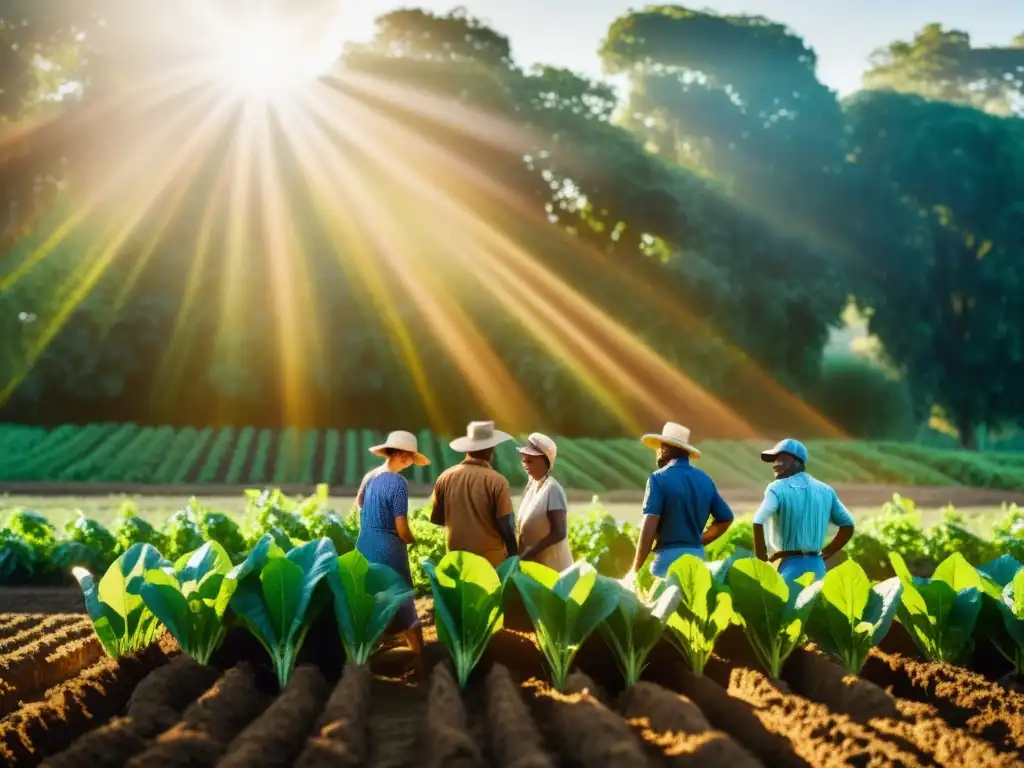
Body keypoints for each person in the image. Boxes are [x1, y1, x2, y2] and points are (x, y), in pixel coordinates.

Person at [624, 422, 734, 583]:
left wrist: (636, 570)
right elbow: (726, 518)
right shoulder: (705, 480)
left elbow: (649, 526)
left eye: (660, 447)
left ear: (666, 449)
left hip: (666, 563)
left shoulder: (658, 478)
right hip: (697, 560)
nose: (658, 451)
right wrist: (698, 540)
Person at [354, 429, 431, 658]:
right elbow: (401, 527)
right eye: (410, 458)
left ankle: (368, 651)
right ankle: (420, 655)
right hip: (389, 545)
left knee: (372, 597)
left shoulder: (371, 476)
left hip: (365, 543)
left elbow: (359, 504)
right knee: (402, 595)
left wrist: (374, 519)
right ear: (404, 456)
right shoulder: (398, 483)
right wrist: (412, 541)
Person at [752, 438, 855, 585]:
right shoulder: (825, 490)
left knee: (786, 607)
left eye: (782, 459)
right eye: (774, 460)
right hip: (818, 568)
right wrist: (827, 553)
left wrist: (761, 563)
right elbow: (848, 526)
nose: (775, 464)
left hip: (788, 569)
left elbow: (758, 521)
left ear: (797, 462)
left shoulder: (776, 488)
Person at [429, 420, 518, 566]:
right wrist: (514, 555)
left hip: (456, 564)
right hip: (490, 565)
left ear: (467, 449)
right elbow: (506, 525)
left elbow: (438, 519)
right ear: (491, 450)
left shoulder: (444, 478)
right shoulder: (497, 481)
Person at [515, 432, 573, 571]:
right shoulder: (531, 488)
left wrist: (529, 553)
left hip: (553, 568)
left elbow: (559, 532)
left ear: (545, 462)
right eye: (524, 460)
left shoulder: (552, 489)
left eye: (530, 461)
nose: (525, 465)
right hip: (534, 566)